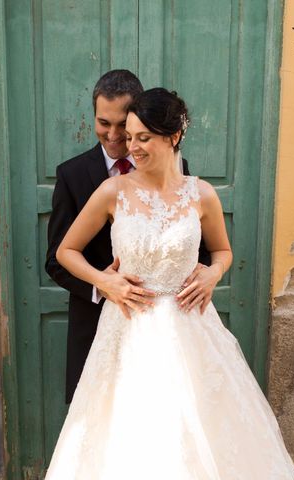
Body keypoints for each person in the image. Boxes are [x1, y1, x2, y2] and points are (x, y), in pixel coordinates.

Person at [45, 88, 294, 479]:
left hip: (191, 328)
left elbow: (222, 252)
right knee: (132, 438)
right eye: (130, 137)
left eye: (142, 137)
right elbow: (66, 251)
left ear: (174, 136)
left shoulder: (201, 194)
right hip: (128, 330)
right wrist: (105, 282)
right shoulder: (114, 191)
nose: (132, 147)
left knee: (195, 433)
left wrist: (213, 274)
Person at [45, 70, 209, 404]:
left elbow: (195, 244)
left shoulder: (178, 169)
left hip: (171, 329)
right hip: (99, 326)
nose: (115, 135)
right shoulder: (72, 174)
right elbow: (57, 259)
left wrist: (209, 272)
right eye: (104, 123)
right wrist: (103, 285)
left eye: (123, 125)